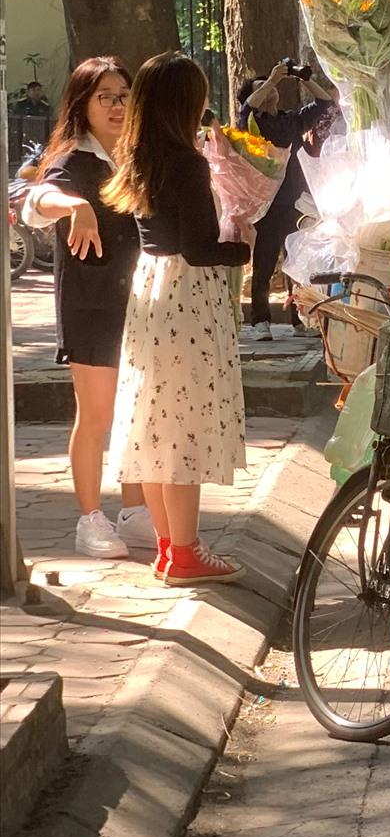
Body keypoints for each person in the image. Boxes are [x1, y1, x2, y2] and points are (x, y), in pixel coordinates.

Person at [101, 52, 253, 586]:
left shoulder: (138, 157)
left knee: (159, 423)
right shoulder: (187, 163)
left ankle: (170, 547)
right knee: (185, 428)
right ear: (185, 103)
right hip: (188, 299)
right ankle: (185, 553)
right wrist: (244, 247)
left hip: (152, 293)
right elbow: (200, 249)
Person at [19, 58, 155, 559]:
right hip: (91, 305)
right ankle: (90, 518)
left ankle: (136, 511)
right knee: (96, 414)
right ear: (83, 104)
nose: (118, 106)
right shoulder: (75, 159)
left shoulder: (134, 156)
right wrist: (76, 208)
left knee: (135, 412)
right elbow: (37, 198)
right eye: (106, 97)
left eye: (124, 95)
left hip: (140, 303)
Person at [237, 61, 338, 338]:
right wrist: (270, 80)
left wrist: (302, 78)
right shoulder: (252, 123)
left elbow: (326, 103)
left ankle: (299, 320)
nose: (270, 92)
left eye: (273, 88)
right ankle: (260, 321)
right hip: (267, 203)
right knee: (265, 262)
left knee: (297, 261)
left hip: (295, 200)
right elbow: (247, 109)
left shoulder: (291, 119)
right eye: (262, 89)